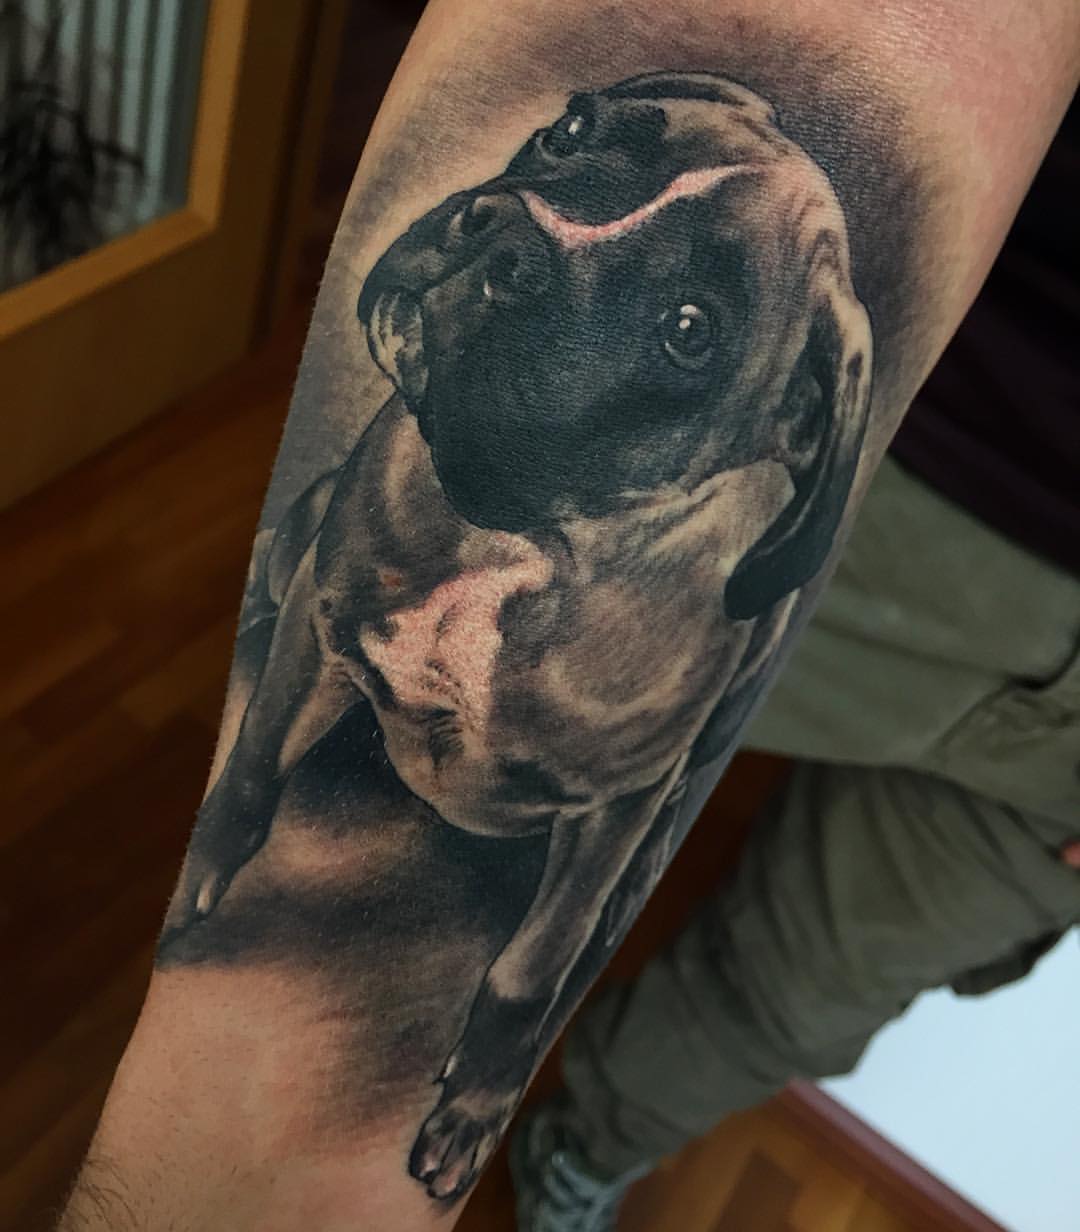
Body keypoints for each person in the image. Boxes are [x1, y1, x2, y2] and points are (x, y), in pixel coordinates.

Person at [59, 3, 1079, 1230]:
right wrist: (280, 1183)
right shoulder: (417, 480)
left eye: (686, 327)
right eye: (573, 147)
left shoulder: (699, 597)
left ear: (797, 425)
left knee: (807, 987)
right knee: (332, 595)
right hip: (973, 493)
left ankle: (577, 1148)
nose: (524, 224)